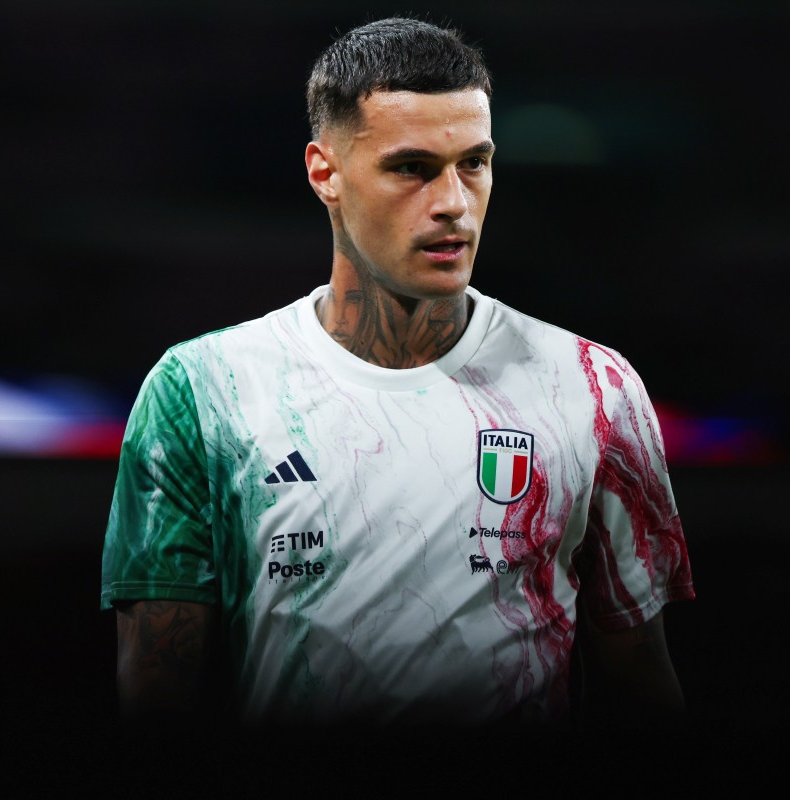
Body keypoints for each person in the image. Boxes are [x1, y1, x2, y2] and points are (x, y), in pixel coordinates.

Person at [100, 16, 695, 740]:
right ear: (325, 173)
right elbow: (155, 696)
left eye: (474, 163)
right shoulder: (203, 390)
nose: (453, 203)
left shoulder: (595, 388)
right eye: (412, 168)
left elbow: (641, 679)